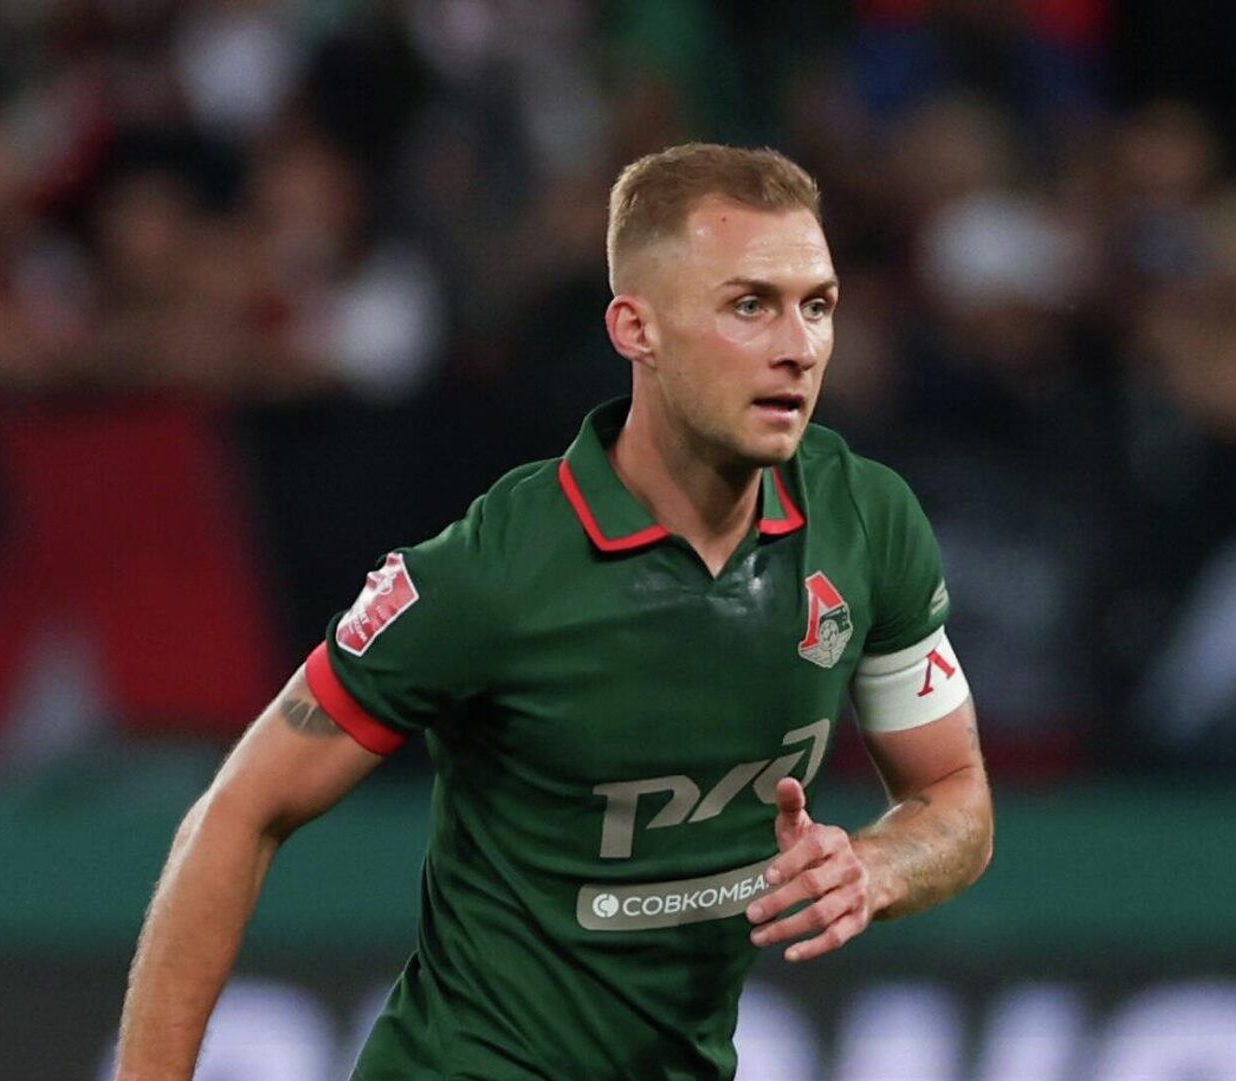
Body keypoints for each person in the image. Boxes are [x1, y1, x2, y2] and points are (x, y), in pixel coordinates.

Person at [114, 143, 994, 1081]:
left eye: (816, 305)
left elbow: (954, 795)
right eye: (750, 305)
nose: (799, 346)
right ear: (636, 328)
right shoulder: (496, 573)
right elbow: (238, 811)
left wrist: (877, 866)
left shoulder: (865, 522)